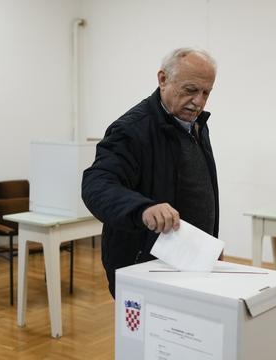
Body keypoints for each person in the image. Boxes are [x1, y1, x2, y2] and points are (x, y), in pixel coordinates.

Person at [82, 47, 220, 297]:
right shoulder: (132, 129)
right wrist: (142, 208)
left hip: (189, 263)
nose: (198, 101)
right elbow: (97, 184)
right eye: (190, 90)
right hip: (144, 269)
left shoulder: (196, 125)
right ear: (163, 79)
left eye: (206, 92)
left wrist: (208, 246)